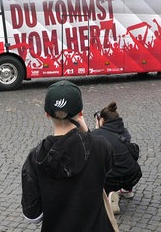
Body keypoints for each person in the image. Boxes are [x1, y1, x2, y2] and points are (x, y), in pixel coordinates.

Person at [22, 80, 116, 232]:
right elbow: (109, 169)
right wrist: (87, 132)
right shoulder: (100, 146)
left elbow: (33, 216)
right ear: (80, 113)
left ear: (46, 114)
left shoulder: (35, 158)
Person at [91, 101, 142, 215]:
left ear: (102, 120)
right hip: (132, 174)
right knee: (123, 156)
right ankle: (127, 189)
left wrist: (97, 128)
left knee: (94, 164)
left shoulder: (97, 134)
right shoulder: (124, 131)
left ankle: (109, 196)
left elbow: (91, 145)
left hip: (111, 179)